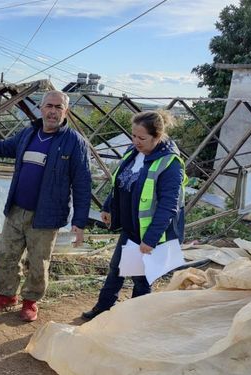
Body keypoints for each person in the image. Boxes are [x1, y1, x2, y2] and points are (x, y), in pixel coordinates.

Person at [0, 90, 91, 322]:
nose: (53, 111)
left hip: (46, 215)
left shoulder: (74, 142)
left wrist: (79, 222)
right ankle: (6, 295)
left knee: (38, 261)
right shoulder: (29, 133)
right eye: (49, 106)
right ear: (41, 108)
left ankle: (31, 301)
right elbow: (5, 148)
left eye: (59, 107)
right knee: (6, 255)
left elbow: (82, 183)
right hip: (17, 208)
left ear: (65, 111)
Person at [81, 110, 186, 321]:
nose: (135, 141)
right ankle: (104, 308)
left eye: (142, 138)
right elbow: (119, 183)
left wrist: (150, 239)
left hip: (148, 232)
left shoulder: (170, 164)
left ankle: (137, 320)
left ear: (157, 137)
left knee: (141, 279)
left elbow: (168, 206)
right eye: (133, 136)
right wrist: (108, 206)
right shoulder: (134, 152)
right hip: (131, 227)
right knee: (117, 269)